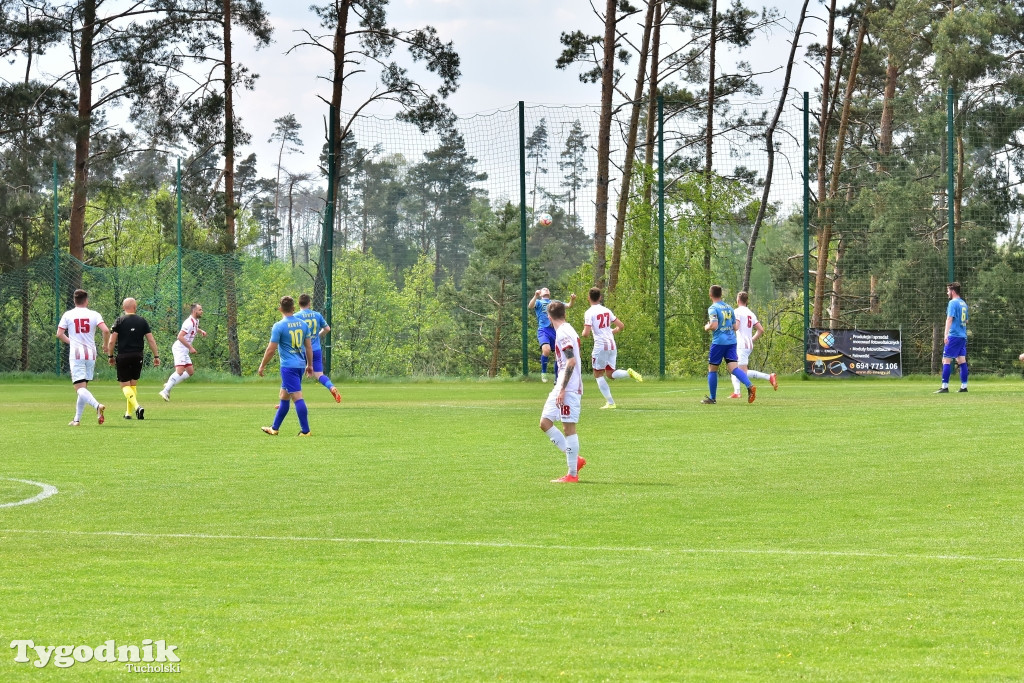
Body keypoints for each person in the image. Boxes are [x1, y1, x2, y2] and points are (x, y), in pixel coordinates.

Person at [538, 300, 585, 483]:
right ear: (564, 313)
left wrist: (563, 389)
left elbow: (571, 361)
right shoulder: (566, 329)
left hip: (569, 387)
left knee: (569, 429)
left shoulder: (563, 332)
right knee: (545, 422)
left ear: (549, 318)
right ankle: (575, 458)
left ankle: (572, 474)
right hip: (561, 385)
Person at [258, 296, 314, 436]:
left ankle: (306, 431)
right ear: (294, 308)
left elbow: (271, 350)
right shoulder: (303, 324)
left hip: (288, 367)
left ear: (280, 309)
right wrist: (310, 365)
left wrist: (262, 365)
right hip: (300, 365)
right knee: (284, 396)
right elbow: (308, 347)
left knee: (297, 397)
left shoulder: (279, 326)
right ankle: (274, 428)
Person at [582, 286, 642, 409]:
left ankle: (610, 403)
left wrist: (582, 334)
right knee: (610, 374)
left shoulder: (589, 313)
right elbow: (621, 326)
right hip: (611, 344)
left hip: (600, 346)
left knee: (598, 374)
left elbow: (586, 334)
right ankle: (628, 373)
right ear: (600, 298)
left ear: (589, 298)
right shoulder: (607, 310)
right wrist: (610, 332)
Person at [56, 289, 110, 426]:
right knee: (83, 387)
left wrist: (71, 341)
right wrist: (105, 345)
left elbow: (59, 334)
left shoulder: (68, 315)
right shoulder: (94, 314)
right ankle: (76, 419)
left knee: (79, 388)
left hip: (77, 354)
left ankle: (97, 405)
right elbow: (105, 330)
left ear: (74, 301)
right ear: (86, 300)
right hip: (91, 353)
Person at [106, 297, 161, 420]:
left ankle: (137, 407)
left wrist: (110, 356)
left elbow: (111, 341)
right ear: (135, 307)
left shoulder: (119, 321)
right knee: (133, 385)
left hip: (123, 356)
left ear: (123, 307)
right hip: (138, 356)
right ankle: (128, 413)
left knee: (125, 386)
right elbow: (151, 339)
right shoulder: (142, 321)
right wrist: (156, 356)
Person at [702, 285, 755, 405]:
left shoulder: (713, 308)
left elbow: (714, 325)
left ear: (710, 295)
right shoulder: (729, 308)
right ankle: (749, 385)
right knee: (734, 368)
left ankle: (712, 398)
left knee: (712, 369)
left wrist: (707, 327)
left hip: (719, 342)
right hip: (731, 342)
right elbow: (736, 327)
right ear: (721, 295)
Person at [729, 291, 778, 398]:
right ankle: (737, 392)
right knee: (734, 368)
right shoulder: (751, 313)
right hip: (748, 345)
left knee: (739, 371)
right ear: (747, 301)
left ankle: (769, 377)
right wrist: (751, 340)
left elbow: (736, 327)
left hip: (741, 344)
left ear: (737, 300)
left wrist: (727, 326)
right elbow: (760, 330)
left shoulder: (736, 312)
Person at [295, 293, 342, 403]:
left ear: (299, 303)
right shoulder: (317, 315)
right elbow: (327, 329)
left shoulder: (296, 317)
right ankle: (331, 387)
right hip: (315, 349)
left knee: (294, 376)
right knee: (319, 375)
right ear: (309, 303)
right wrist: (317, 336)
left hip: (301, 350)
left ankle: (284, 401)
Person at [159, 303, 206, 401]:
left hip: (184, 350)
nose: (202, 311)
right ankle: (165, 390)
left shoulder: (195, 321)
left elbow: (194, 328)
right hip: (179, 349)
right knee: (179, 372)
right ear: (194, 311)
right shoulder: (188, 322)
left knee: (190, 372)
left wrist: (201, 331)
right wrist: (190, 347)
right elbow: (179, 336)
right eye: (200, 310)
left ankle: (170, 383)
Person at [528, 287, 575, 382]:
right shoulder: (539, 302)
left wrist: (572, 299)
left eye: (547, 289)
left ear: (549, 293)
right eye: (543, 289)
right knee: (546, 350)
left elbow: (569, 305)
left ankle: (557, 378)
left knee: (557, 355)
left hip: (555, 330)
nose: (546, 290)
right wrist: (535, 296)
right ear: (540, 294)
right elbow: (530, 306)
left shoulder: (554, 303)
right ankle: (543, 372)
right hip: (543, 330)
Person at [936, 281, 969, 393]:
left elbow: (949, 319)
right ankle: (964, 387)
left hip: (954, 335)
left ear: (953, 291)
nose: (947, 293)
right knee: (961, 360)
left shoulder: (952, 303)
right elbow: (966, 320)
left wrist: (946, 335)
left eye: (948, 290)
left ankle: (944, 387)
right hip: (962, 336)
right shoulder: (963, 303)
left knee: (946, 360)